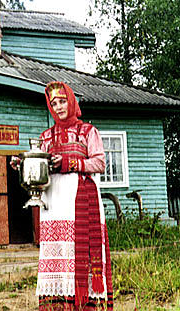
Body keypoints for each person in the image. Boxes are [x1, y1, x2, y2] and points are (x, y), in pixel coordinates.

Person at [14, 81, 113, 310]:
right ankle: (59, 304)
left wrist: (71, 162)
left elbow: (99, 163)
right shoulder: (46, 137)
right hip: (53, 202)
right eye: (53, 103)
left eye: (62, 101)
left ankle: (84, 302)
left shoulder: (88, 131)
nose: (58, 107)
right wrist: (23, 164)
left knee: (78, 253)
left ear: (72, 102)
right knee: (58, 255)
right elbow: (42, 165)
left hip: (79, 199)